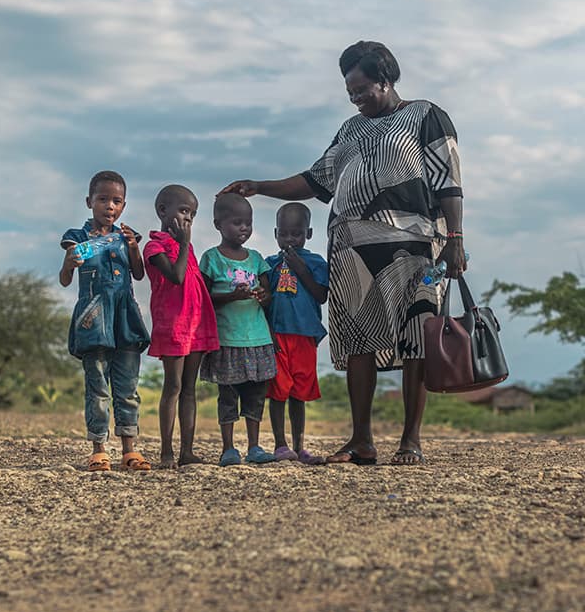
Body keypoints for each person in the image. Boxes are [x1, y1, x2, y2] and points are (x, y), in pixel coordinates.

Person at [221, 40, 465, 465]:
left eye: (362, 89)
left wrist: (457, 237)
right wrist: (260, 186)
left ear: (385, 81)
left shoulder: (426, 117)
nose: (355, 99)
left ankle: (411, 440)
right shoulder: (351, 130)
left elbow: (449, 181)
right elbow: (316, 181)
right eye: (350, 92)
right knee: (357, 340)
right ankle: (361, 440)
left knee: (417, 340)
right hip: (351, 250)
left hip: (416, 249)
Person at [60, 170, 152, 472]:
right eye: (102, 200)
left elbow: (138, 274)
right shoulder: (77, 237)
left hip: (124, 317)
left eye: (116, 201)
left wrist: (134, 247)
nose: (109, 207)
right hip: (93, 317)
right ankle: (99, 449)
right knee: (97, 385)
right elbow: (64, 280)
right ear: (89, 202)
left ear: (123, 206)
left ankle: (129, 449)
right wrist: (69, 262)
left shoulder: (127, 237)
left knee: (127, 386)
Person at [143, 184, 220, 469]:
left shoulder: (188, 249)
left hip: (196, 325)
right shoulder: (154, 246)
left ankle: (187, 451)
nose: (188, 219)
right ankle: (166, 453)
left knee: (190, 388)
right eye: (184, 211)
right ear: (163, 211)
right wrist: (185, 244)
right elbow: (175, 277)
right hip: (173, 326)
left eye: (193, 215)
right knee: (172, 386)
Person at [199, 193, 278, 467]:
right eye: (236, 222)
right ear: (218, 224)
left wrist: (261, 295)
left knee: (256, 395)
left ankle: (255, 447)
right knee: (229, 395)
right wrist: (232, 296)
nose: (243, 228)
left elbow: (269, 293)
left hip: (257, 337)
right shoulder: (211, 258)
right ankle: (229, 448)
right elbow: (205, 298)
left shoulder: (256, 259)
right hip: (228, 338)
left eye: (248, 222)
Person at [264, 203, 329, 465]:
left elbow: (321, 295)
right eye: (285, 234)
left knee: (299, 393)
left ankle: (300, 447)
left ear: (309, 234)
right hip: (277, 334)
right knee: (278, 390)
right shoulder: (269, 264)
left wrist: (301, 269)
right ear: (276, 233)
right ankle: (281, 445)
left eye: (297, 233)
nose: (290, 239)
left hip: (305, 334)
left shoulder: (316, 263)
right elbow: (266, 299)